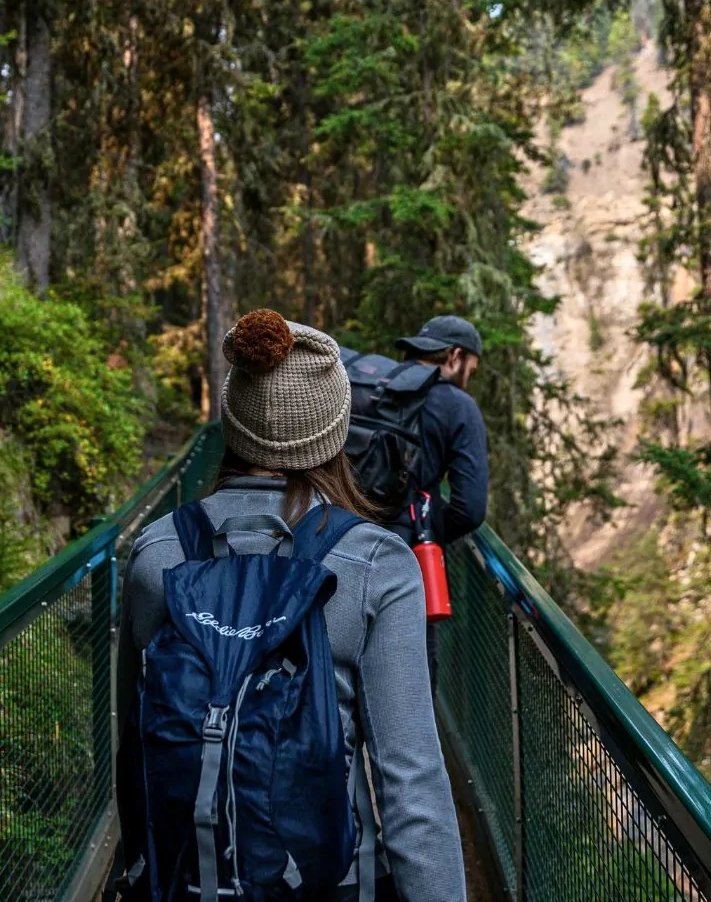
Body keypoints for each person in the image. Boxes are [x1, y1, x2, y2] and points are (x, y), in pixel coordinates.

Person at [116, 309, 468, 902]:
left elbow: (135, 749)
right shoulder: (376, 564)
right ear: (336, 431)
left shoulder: (156, 556)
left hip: (188, 879)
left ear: (234, 421)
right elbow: (412, 788)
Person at [388, 315, 489, 547]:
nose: (467, 382)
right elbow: (470, 510)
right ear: (455, 356)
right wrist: (426, 533)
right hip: (401, 553)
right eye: (470, 372)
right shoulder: (458, 405)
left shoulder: (376, 386)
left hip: (338, 533)